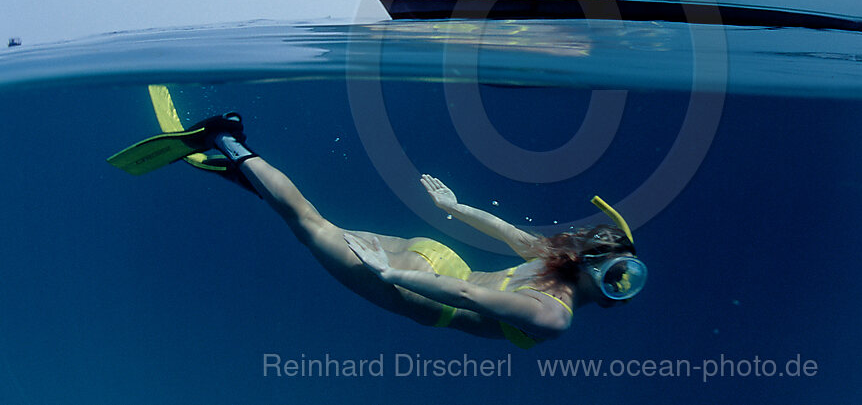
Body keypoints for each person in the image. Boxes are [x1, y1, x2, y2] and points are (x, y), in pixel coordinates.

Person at [107, 114, 647, 349]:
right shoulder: (554, 317)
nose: (622, 288)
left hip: (432, 256)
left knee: (321, 223)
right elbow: (465, 296)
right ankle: (227, 140)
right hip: (419, 287)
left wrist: (456, 209)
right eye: (624, 277)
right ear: (601, 268)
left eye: (627, 280)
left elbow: (508, 233)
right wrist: (390, 274)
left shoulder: (550, 259)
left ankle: (242, 169)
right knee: (309, 225)